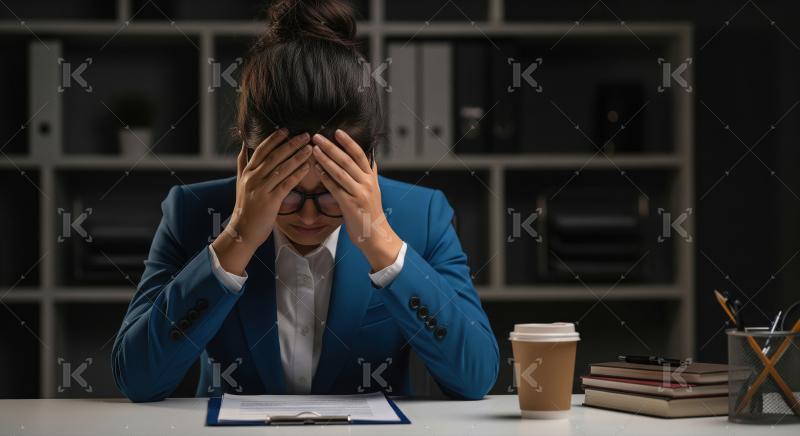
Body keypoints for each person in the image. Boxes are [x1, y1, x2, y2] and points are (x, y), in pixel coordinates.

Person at [111, 0, 499, 402]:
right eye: (287, 192)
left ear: (368, 166)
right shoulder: (191, 213)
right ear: (247, 162)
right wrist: (238, 238)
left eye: (331, 193)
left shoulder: (423, 217)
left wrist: (380, 240)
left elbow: (475, 377)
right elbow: (138, 379)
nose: (309, 216)